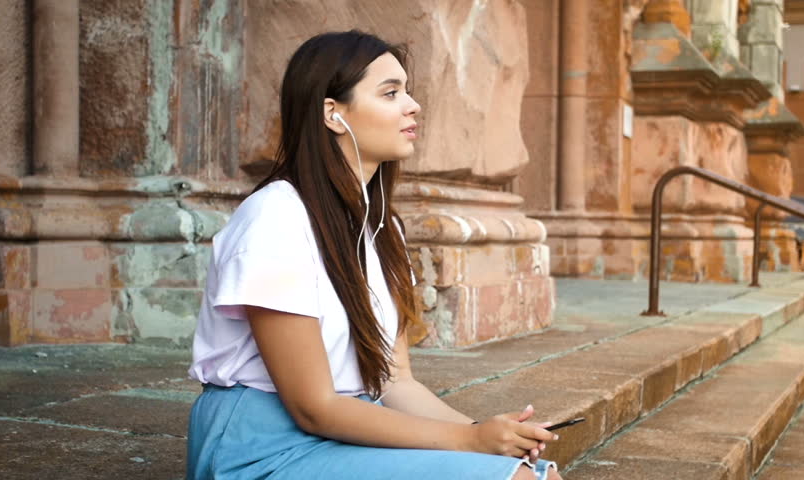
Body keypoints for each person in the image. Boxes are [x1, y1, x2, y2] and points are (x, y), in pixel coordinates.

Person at [186, 30, 563, 480]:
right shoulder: (276, 218)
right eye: (391, 93)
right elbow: (313, 407)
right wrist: (469, 442)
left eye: (407, 90)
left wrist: (489, 435)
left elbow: (394, 381)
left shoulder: (381, 228)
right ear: (332, 113)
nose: (412, 105)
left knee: (527, 471)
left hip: (349, 428)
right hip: (263, 446)